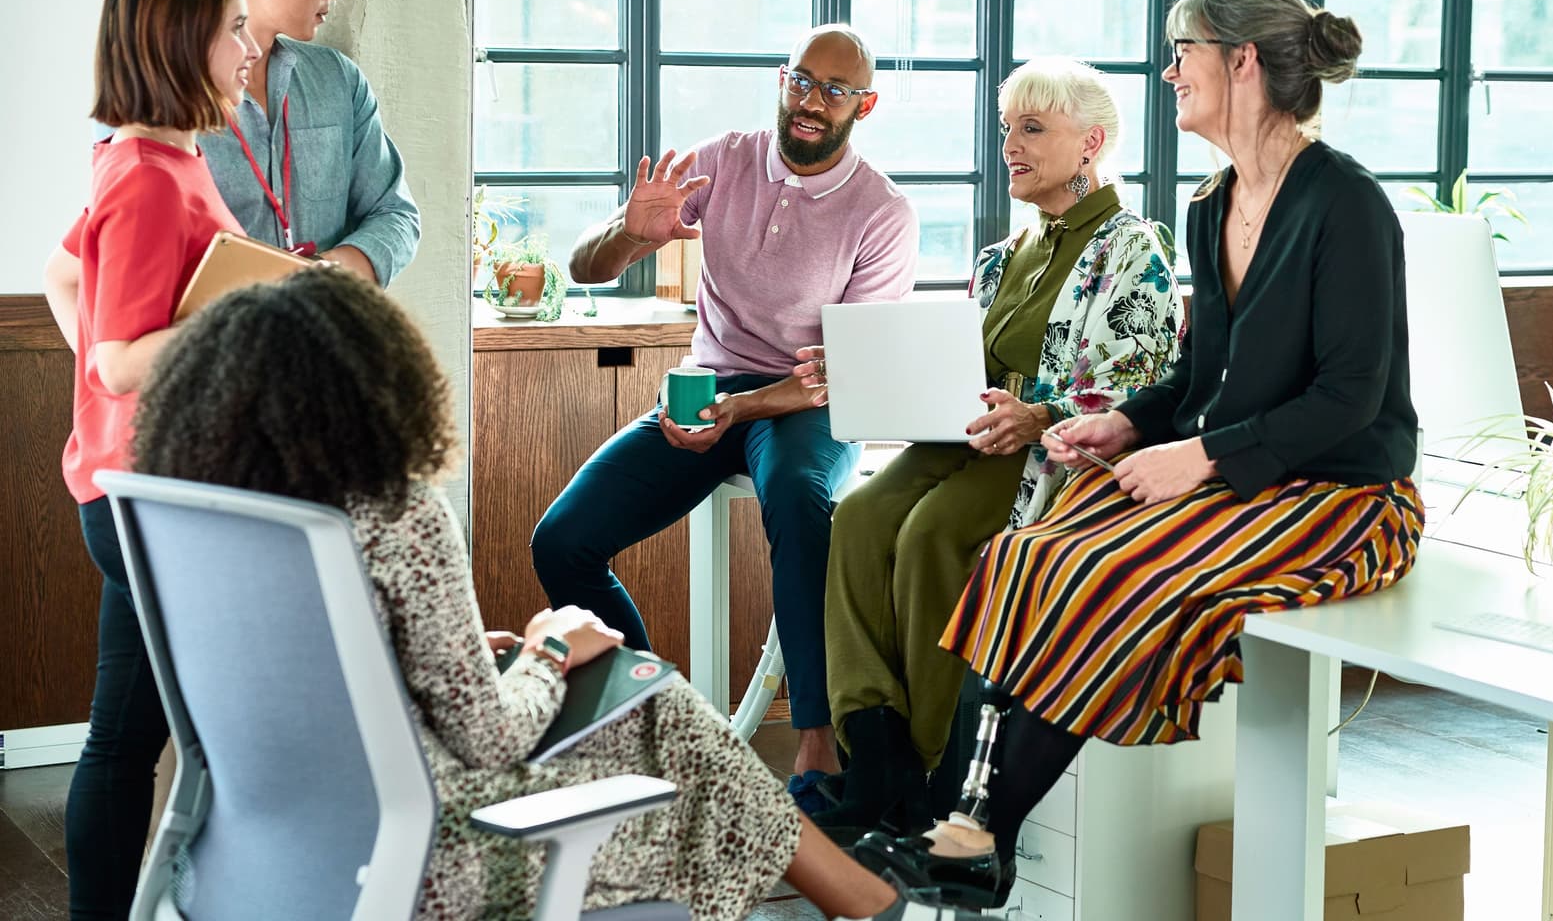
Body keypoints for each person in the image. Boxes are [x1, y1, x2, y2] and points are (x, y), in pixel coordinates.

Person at [130, 266, 977, 921]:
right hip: (441, 847)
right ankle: (873, 904)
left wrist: (486, 657)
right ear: (370, 388)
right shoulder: (395, 514)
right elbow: (492, 737)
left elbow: (330, 678)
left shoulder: (212, 521)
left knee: (652, 701)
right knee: (665, 713)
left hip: (263, 847)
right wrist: (545, 647)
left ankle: (866, 902)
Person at [857, 0, 1427, 907]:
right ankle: (955, 828)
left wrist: (1197, 457)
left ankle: (971, 840)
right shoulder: (1213, 206)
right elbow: (1205, 376)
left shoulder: (1347, 205)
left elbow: (1351, 400)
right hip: (1243, 479)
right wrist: (1129, 422)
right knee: (1021, 556)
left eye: (1182, 50)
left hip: (1343, 498)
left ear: (1242, 61)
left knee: (1102, 571)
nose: (1168, 72)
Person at [797, 58, 1181, 830]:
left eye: (1033, 129)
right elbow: (957, 366)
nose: (1011, 144)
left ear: (1090, 144)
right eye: (1007, 129)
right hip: (965, 438)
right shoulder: (1004, 255)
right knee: (860, 516)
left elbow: (1148, 377)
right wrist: (865, 373)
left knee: (930, 533)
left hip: (1047, 454)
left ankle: (937, 767)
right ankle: (876, 750)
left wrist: (1040, 416)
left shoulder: (1133, 250)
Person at [534, 24, 917, 794]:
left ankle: (816, 743)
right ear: (782, 80)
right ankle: (655, 717)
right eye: (801, 81)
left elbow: (843, 373)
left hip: (805, 403)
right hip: (708, 386)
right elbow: (586, 267)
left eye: (834, 91)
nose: (811, 101)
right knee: (563, 541)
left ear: (864, 106)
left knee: (803, 505)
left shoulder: (882, 212)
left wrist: (742, 414)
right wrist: (629, 233)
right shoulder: (721, 161)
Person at [41, 0, 260, 920]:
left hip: (139, 490)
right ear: (181, 43)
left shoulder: (154, 157)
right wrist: (232, 323)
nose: (249, 48)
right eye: (233, 31)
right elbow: (120, 359)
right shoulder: (144, 173)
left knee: (129, 736)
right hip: (146, 501)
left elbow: (64, 279)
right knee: (179, 737)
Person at [197, 0, 420, 285]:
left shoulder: (339, 81)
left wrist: (323, 278)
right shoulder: (161, 99)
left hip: (328, 345)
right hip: (217, 349)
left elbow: (395, 214)